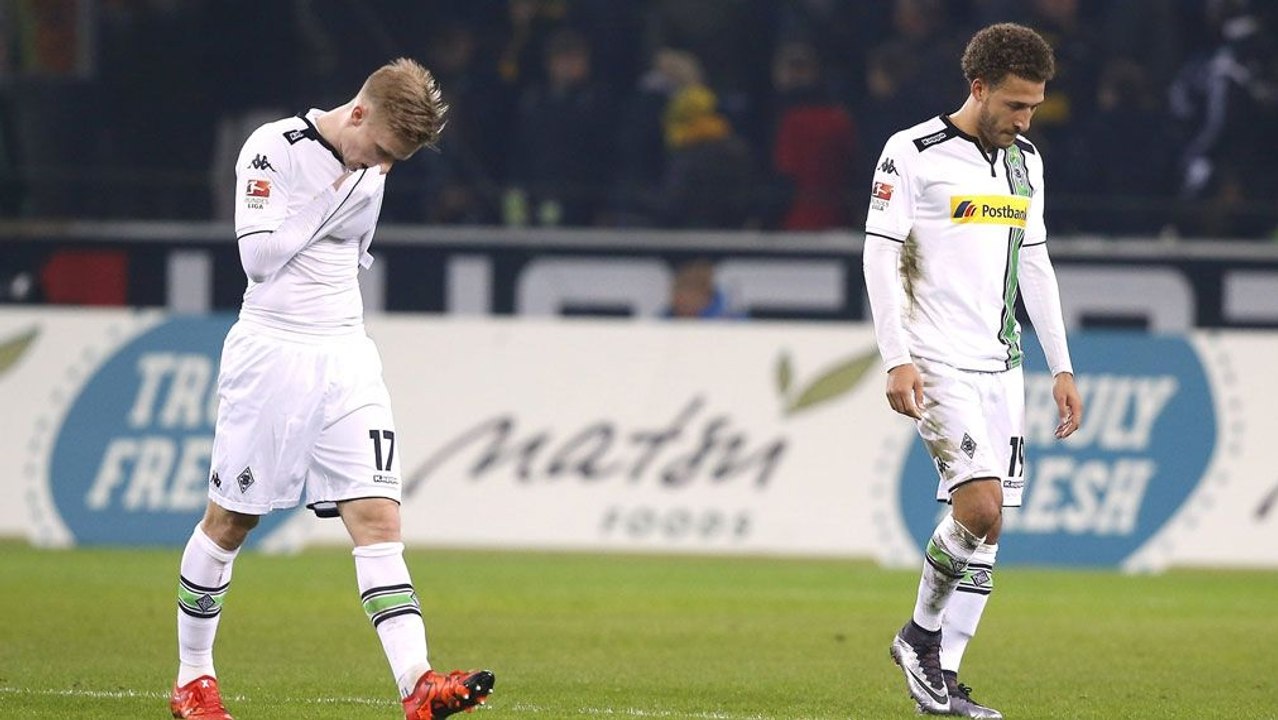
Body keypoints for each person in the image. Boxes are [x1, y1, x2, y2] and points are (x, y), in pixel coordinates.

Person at [168, 58, 495, 720]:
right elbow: (259, 259)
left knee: (379, 518)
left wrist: (358, 183)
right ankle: (193, 679)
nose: (383, 165)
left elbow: (352, 253)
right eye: (381, 150)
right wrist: (338, 194)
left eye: (395, 160)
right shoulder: (273, 149)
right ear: (358, 112)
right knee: (230, 521)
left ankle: (418, 684)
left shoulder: (371, 169)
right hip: (273, 353)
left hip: (346, 355)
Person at [862, 23, 1083, 719]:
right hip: (936, 360)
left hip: (1002, 363)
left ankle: (945, 678)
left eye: (1034, 108)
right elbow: (878, 254)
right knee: (978, 506)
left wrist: (1061, 366)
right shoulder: (912, 152)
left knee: (991, 529)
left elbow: (1035, 263)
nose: (1025, 120)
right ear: (978, 88)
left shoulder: (1026, 162)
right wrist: (896, 357)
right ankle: (918, 636)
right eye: (1015, 105)